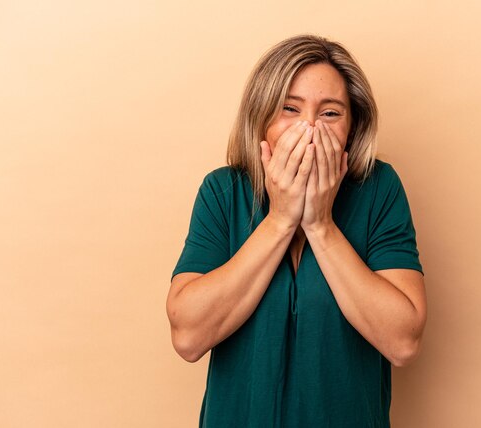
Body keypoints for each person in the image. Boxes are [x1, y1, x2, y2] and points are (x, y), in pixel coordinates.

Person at [167, 34, 427, 428]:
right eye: (290, 109)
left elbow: (403, 341)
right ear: (262, 120)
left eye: (330, 114)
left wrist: (320, 224)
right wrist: (280, 220)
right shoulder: (222, 193)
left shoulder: (379, 189)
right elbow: (188, 337)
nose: (308, 129)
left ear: (351, 130)